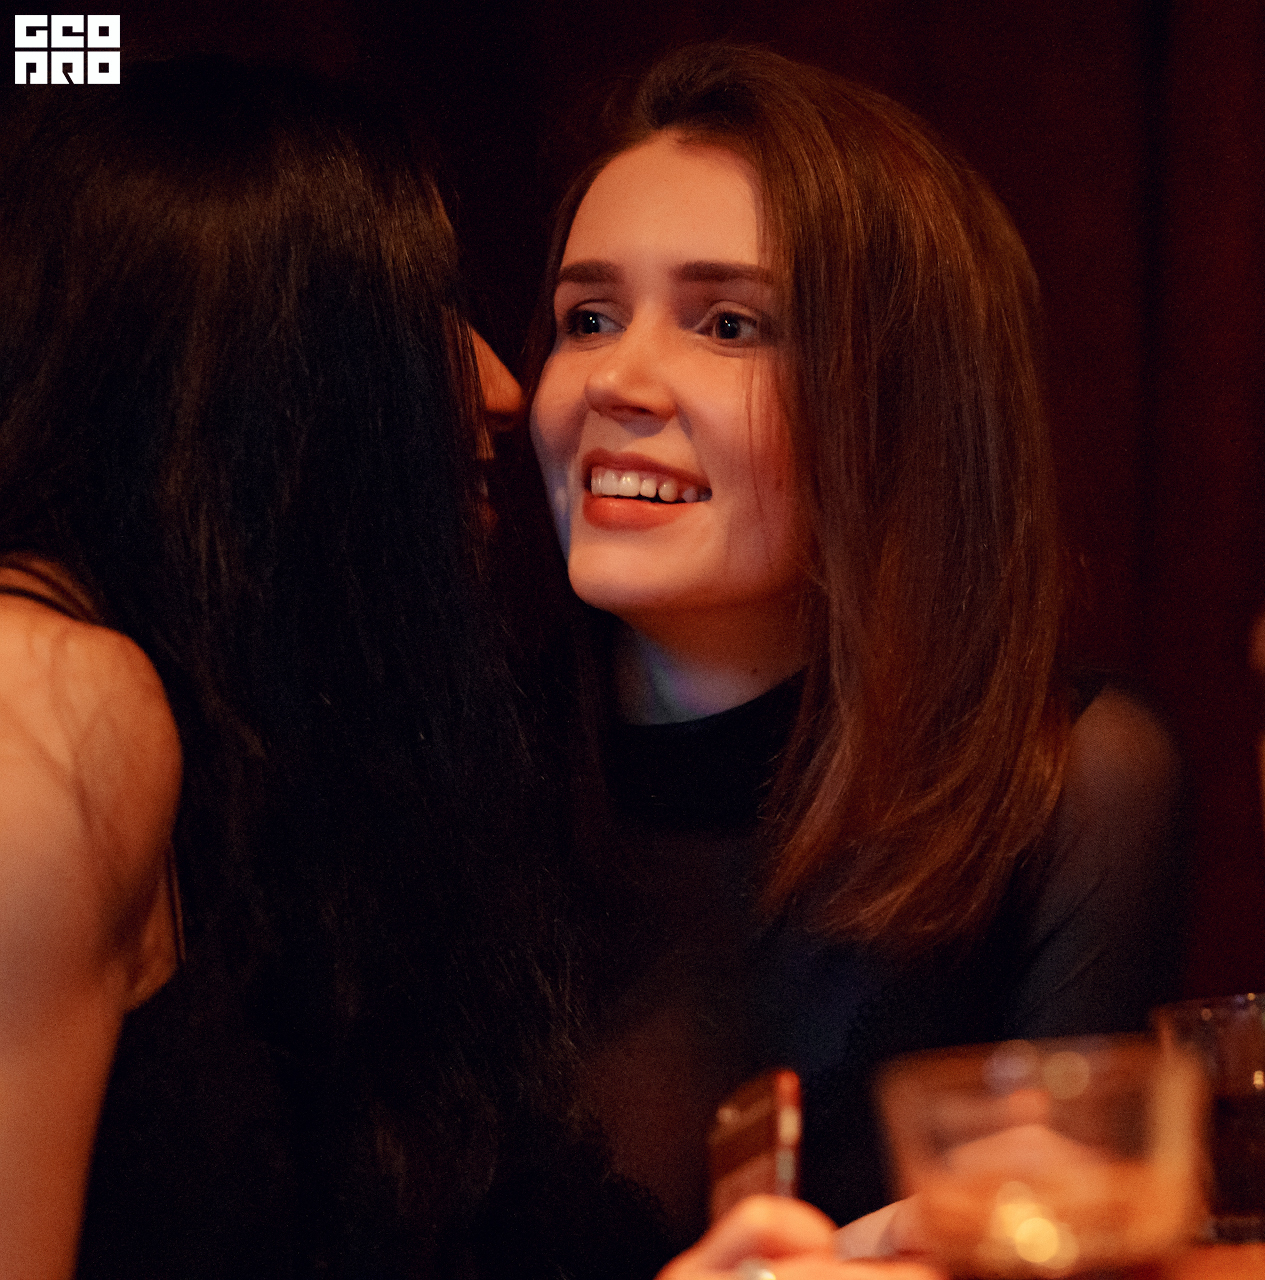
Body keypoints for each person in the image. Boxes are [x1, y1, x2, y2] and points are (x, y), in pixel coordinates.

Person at [0, 60, 939, 1280]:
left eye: (727, 324)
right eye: (419, 307)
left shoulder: (279, 735)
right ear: (256, 351)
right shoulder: (47, 694)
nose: (503, 382)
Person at [524, 44, 1186, 1250]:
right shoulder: (450, 780)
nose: (617, 377)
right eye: (589, 317)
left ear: (900, 404)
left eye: (728, 324)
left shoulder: (1067, 786)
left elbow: (1069, 1250)